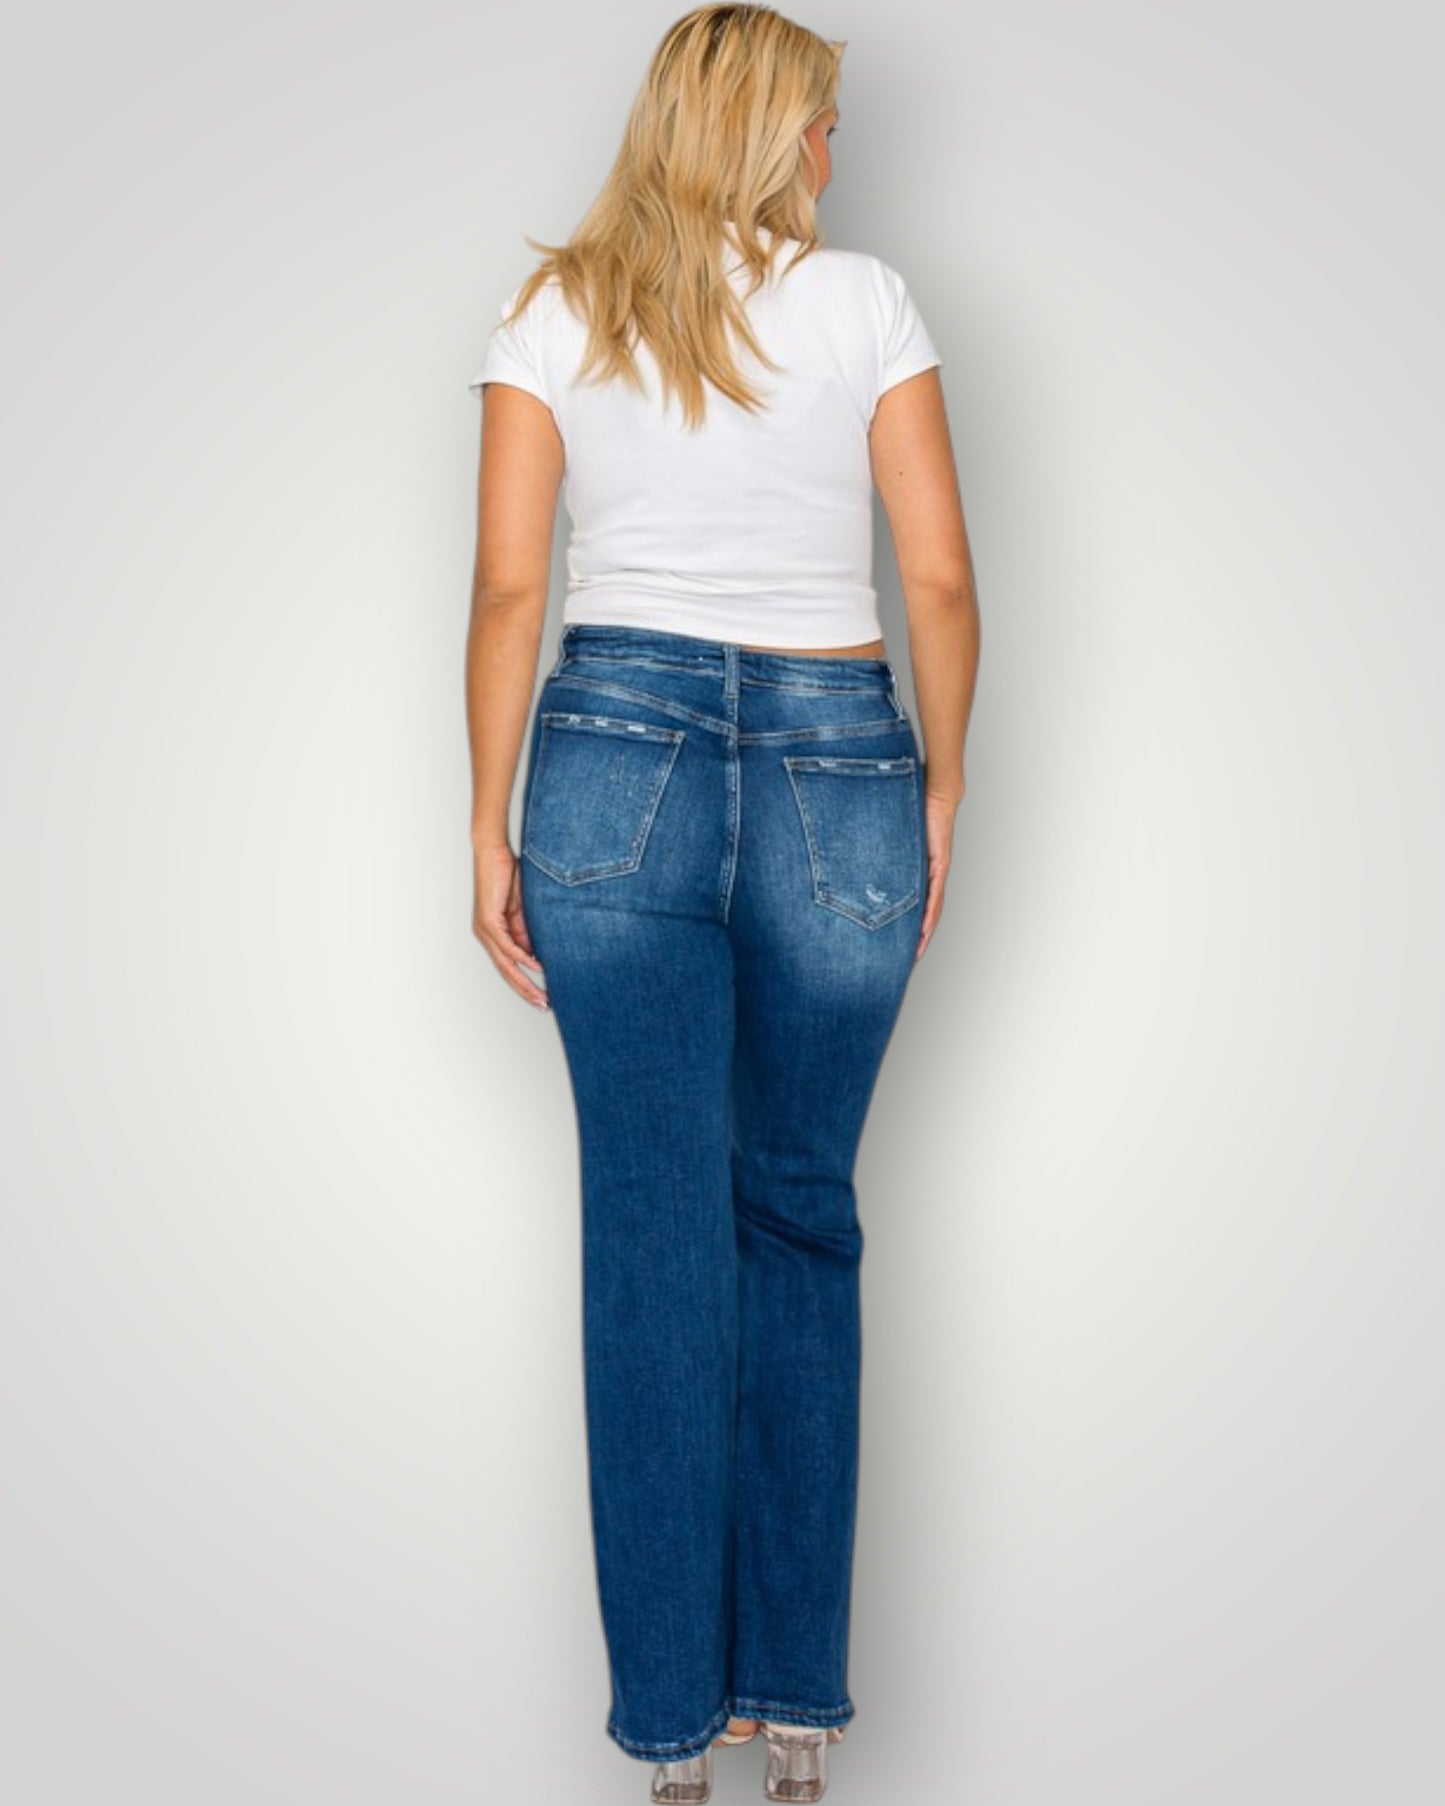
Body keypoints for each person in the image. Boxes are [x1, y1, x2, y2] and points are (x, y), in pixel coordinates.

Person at [464, 7, 979, 1801]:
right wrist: (941, 785)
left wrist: (482, 821)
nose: (833, 156)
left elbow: (508, 591)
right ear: (769, 135)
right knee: (799, 1220)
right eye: (822, 124)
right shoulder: (867, 308)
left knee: (650, 1240)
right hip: (842, 762)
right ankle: (799, 1715)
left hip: (611, 763)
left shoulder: (555, 312)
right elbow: (933, 572)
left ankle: (672, 1736)